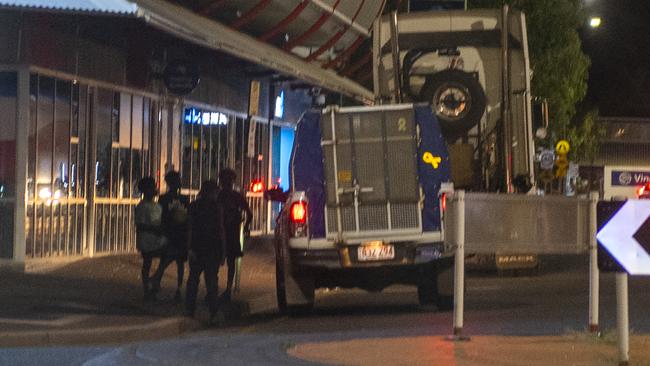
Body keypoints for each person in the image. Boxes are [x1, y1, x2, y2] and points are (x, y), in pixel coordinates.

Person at [185, 180, 226, 325]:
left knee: (193, 280)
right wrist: (223, 251)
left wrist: (189, 248)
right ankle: (213, 311)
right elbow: (221, 229)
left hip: (197, 247)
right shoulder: (217, 207)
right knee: (211, 281)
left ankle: (190, 310)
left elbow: (190, 228)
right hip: (212, 248)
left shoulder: (194, 206)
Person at [152, 171, 189, 301]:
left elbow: (161, 216)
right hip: (177, 232)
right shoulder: (183, 199)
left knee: (168, 260)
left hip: (172, 232)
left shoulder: (164, 199)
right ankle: (176, 288)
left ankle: (156, 282)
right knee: (177, 262)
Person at [217, 168, 252, 302]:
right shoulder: (236, 196)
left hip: (225, 231)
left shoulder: (221, 196)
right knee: (230, 261)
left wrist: (245, 226)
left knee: (219, 260)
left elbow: (249, 213)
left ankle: (224, 289)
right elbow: (249, 213)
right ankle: (227, 288)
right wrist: (246, 227)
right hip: (231, 231)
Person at [134, 177, 166, 301]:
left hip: (153, 238)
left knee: (149, 263)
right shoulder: (143, 206)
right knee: (149, 262)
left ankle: (151, 284)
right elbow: (140, 225)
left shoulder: (153, 205)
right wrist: (156, 229)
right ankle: (149, 287)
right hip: (149, 238)